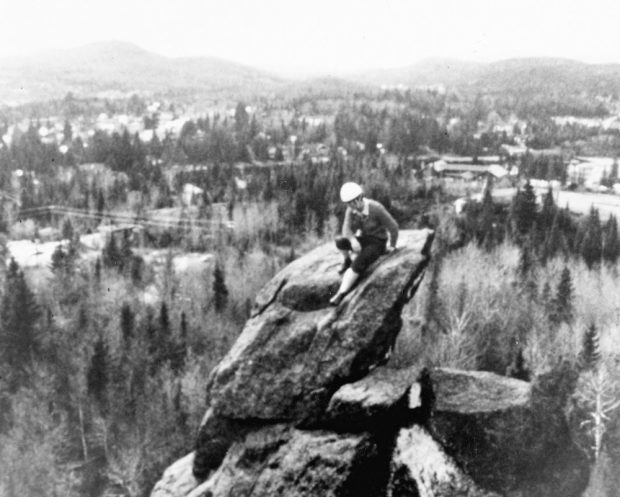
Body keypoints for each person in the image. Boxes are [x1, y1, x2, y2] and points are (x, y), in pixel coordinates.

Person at [329, 182, 399, 306]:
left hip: (378, 242)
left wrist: (392, 246)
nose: (354, 206)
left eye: (355, 202)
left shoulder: (376, 208)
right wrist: (352, 240)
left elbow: (393, 227)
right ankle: (346, 261)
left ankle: (341, 293)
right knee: (340, 242)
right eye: (350, 203)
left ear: (361, 197)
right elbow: (346, 229)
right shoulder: (351, 209)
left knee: (359, 262)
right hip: (364, 239)